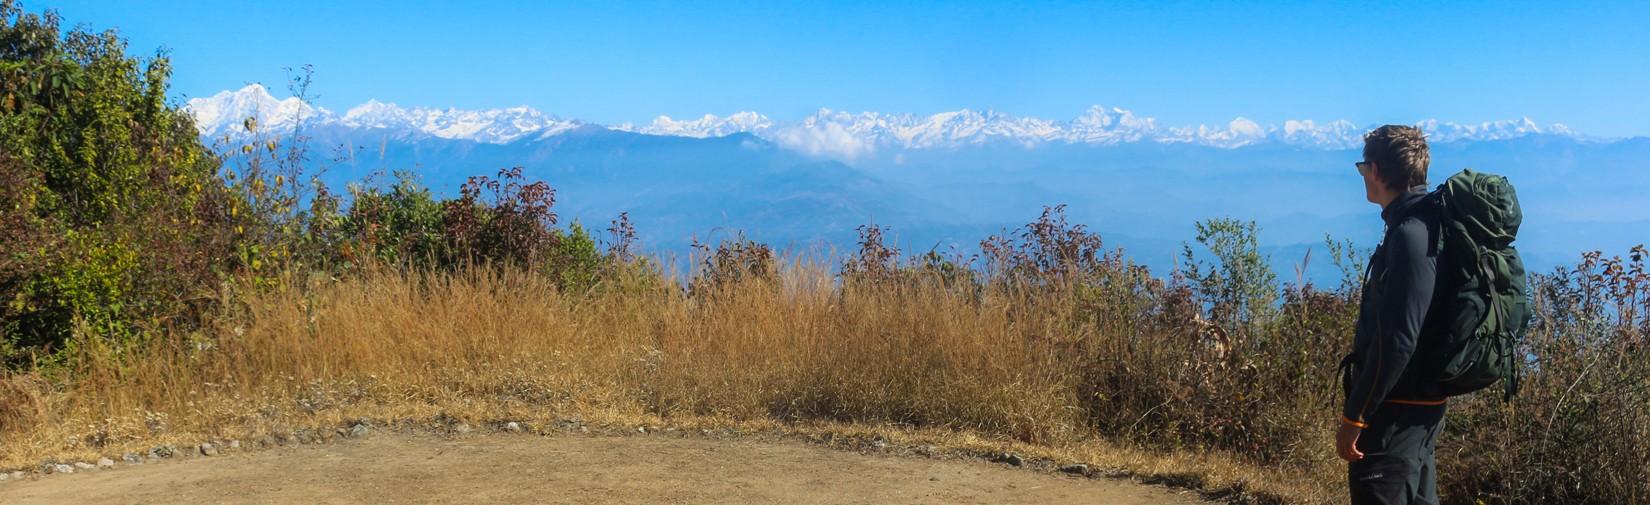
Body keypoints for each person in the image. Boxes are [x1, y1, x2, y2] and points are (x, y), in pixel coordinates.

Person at [1337, 124, 1452, 505]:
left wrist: (1357, 416)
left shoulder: (1409, 234)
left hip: (1394, 416)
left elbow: (1398, 339)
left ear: (1378, 172)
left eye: (1362, 167)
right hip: (1422, 410)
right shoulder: (1429, 224)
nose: (1362, 176)